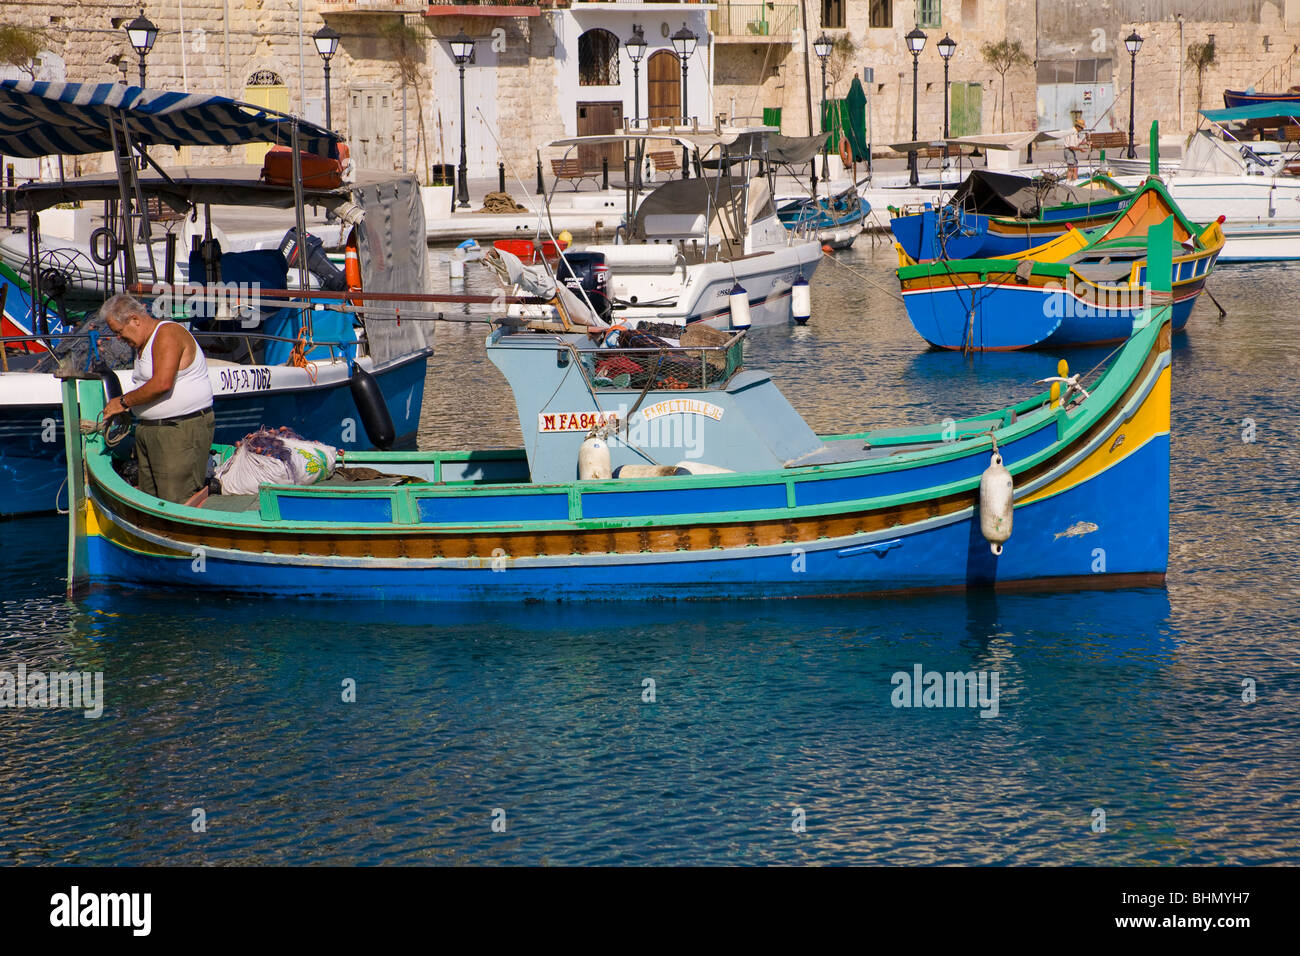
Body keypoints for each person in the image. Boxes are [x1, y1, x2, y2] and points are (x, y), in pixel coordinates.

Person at [100, 294, 215, 503]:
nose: (119, 338)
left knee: (177, 501)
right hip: (154, 429)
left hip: (178, 430)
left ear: (135, 320)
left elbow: (162, 383)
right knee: (151, 501)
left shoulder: (167, 333)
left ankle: (183, 536)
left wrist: (123, 402)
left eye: (119, 331)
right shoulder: (143, 343)